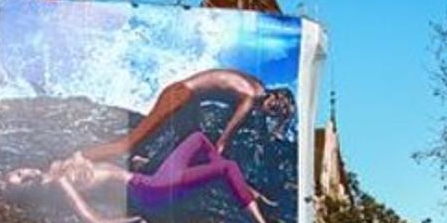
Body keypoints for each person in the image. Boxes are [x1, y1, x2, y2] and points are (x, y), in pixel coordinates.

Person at [0, 130, 279, 223]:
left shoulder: (57, 167)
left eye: (19, 172)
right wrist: (131, 222)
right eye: (20, 181)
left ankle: (238, 186)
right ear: (26, 192)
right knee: (226, 167)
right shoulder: (59, 184)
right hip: (150, 190)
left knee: (198, 139)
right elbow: (95, 220)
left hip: (148, 178)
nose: (25, 175)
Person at [77, 68, 296, 162]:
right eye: (274, 111)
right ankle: (75, 158)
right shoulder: (251, 96)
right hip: (181, 95)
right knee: (127, 145)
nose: (270, 115)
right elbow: (224, 138)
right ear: (274, 97)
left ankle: (147, 166)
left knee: (186, 143)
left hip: (189, 103)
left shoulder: (257, 86)